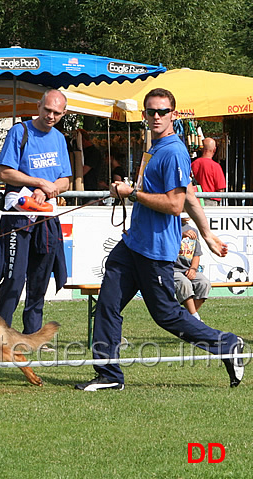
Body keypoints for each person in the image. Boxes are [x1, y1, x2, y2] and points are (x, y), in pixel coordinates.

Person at [75, 88, 244, 392]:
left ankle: (227, 345)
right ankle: (109, 374)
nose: (156, 117)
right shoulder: (153, 148)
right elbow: (190, 195)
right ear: (144, 115)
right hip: (133, 243)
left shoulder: (174, 150)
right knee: (107, 304)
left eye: (162, 112)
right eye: (151, 111)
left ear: (173, 115)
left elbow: (175, 204)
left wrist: (132, 194)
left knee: (167, 315)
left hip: (155, 251)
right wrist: (207, 234)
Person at [0, 89, 71, 335]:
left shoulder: (59, 139)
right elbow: (5, 172)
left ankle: (32, 335)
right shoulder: (19, 131)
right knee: (13, 279)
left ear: (63, 113)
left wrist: (49, 189)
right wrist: (39, 183)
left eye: (57, 112)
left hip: (46, 218)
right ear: (38, 106)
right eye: (47, 110)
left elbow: (65, 180)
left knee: (40, 280)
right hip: (18, 217)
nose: (51, 116)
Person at [174, 215, 211, 322]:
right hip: (172, 269)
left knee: (204, 283)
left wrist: (193, 269)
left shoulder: (193, 230)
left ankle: (188, 318)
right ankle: (195, 319)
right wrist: (181, 235)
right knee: (184, 283)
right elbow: (166, 244)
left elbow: (196, 254)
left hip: (188, 268)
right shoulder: (169, 228)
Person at [191, 137, 226, 206]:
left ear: (202, 149)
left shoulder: (193, 164)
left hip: (195, 201)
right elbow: (220, 189)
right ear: (214, 149)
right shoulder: (216, 166)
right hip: (211, 203)